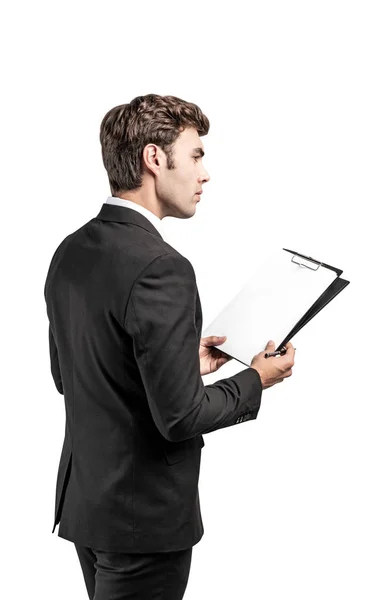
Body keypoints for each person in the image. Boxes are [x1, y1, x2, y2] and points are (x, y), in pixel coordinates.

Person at [44, 94, 295, 600]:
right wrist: (255, 380)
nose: (205, 175)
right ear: (155, 160)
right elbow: (179, 418)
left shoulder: (70, 250)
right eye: (197, 155)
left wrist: (180, 361)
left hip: (88, 507)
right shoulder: (163, 267)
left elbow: (69, 375)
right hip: (143, 523)